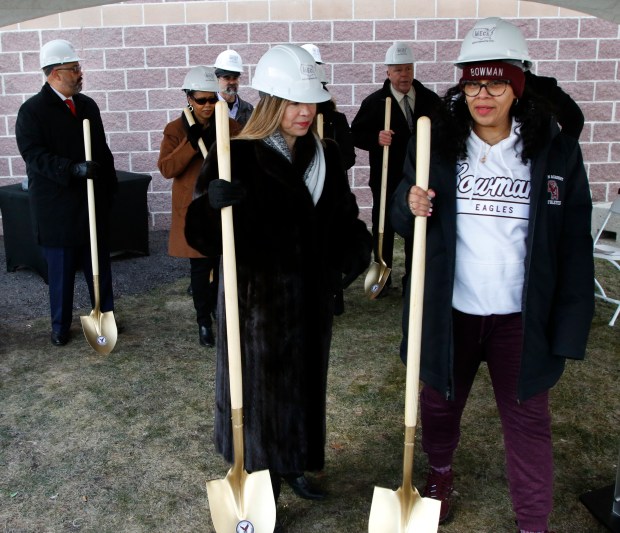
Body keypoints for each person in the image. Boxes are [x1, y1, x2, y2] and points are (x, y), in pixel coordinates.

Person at [389, 17, 594, 533]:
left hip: (520, 319)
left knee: (527, 424)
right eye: (473, 81)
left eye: (497, 81)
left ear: (518, 85)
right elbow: (401, 212)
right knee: (437, 407)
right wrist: (406, 203)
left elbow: (573, 242)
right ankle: (437, 475)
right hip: (449, 309)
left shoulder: (554, 149)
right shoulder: (436, 141)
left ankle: (532, 523)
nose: (483, 94)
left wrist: (568, 329)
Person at [185, 44, 372, 524]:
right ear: (271, 103)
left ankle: (296, 463)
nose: (305, 112)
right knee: (258, 391)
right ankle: (256, 473)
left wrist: (343, 267)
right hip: (256, 304)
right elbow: (200, 234)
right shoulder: (238, 155)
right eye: (294, 102)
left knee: (307, 384)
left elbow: (346, 222)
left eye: (311, 102)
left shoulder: (326, 156)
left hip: (309, 301)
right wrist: (212, 205)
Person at [15, 39, 117, 347]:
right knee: (60, 272)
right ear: (56, 73)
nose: (79, 73)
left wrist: (109, 187)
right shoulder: (32, 111)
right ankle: (60, 326)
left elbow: (101, 149)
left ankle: (105, 316)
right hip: (57, 208)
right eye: (74, 69)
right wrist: (71, 169)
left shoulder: (87, 106)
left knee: (99, 266)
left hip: (90, 205)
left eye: (78, 68)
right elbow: (33, 155)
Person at [158, 66, 242, 347]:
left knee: (224, 266)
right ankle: (203, 321)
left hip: (223, 210)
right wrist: (190, 145)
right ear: (189, 99)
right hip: (194, 214)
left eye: (212, 100)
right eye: (201, 100)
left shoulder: (228, 125)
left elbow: (246, 156)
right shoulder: (175, 129)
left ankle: (223, 314)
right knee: (200, 270)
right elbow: (167, 168)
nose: (208, 106)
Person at [351, 41, 440, 297]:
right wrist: (376, 138)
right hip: (386, 177)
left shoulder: (429, 99)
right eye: (399, 70)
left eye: (408, 69)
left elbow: (444, 131)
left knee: (417, 225)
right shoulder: (376, 102)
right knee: (384, 226)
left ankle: (413, 279)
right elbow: (356, 134)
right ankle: (383, 278)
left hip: (420, 176)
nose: (404, 75)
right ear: (388, 72)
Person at [303, 43, 356, 315]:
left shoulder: (337, 119)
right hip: (305, 195)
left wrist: (329, 160)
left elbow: (349, 156)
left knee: (331, 242)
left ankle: (335, 296)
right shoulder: (297, 121)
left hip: (332, 194)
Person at [213, 49, 254, 126]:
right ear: (217, 79)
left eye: (235, 78)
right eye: (227, 78)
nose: (232, 82)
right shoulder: (209, 108)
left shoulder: (248, 109)